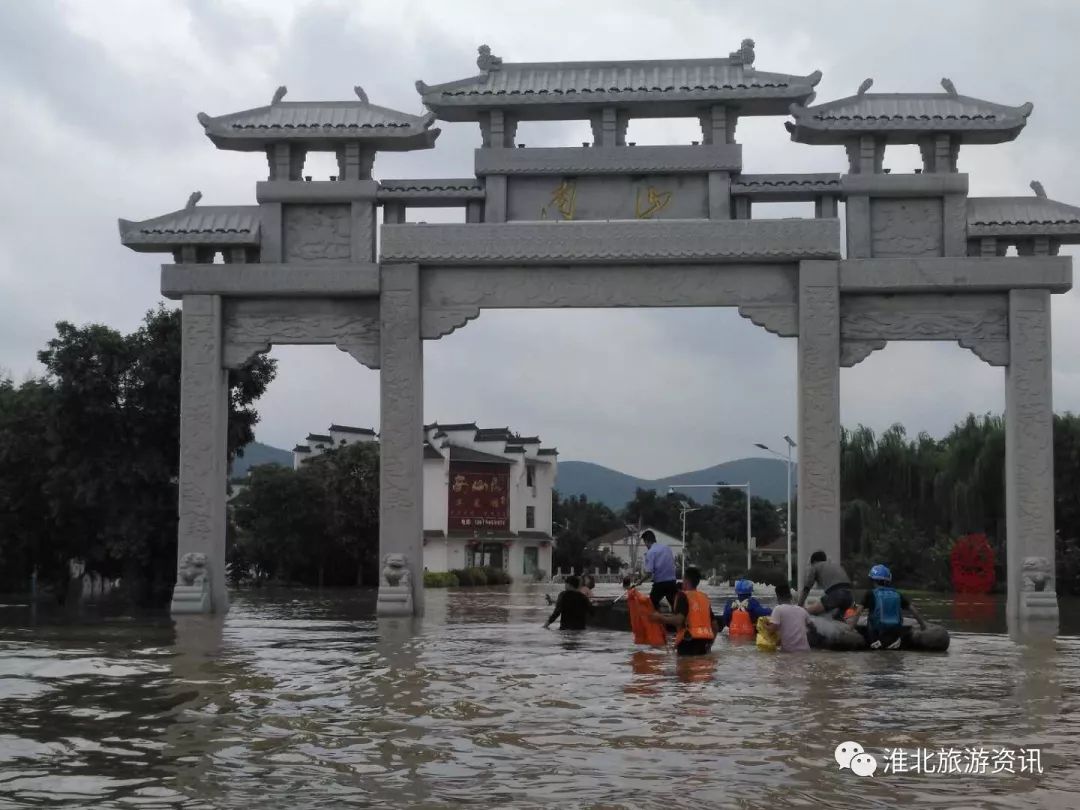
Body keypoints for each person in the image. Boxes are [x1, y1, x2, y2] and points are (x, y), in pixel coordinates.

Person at [846, 564, 928, 649]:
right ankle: (894, 642)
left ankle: (876, 642)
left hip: (876, 636)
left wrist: (851, 629)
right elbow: (914, 610)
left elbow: (858, 612)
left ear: (873, 581)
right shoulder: (898, 594)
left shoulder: (870, 594)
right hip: (895, 636)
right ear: (888, 580)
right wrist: (923, 626)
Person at [652, 567, 717, 656]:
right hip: (706, 640)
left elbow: (679, 620)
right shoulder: (704, 598)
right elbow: (715, 626)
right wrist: (710, 643)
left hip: (688, 640)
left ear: (685, 581)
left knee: (685, 668)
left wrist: (660, 617)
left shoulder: (683, 595)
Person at [798, 551, 854, 619]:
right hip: (849, 595)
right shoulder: (835, 565)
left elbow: (806, 589)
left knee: (807, 612)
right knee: (838, 619)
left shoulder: (815, 566)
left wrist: (798, 607)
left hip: (836, 594)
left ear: (814, 561)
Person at [633, 530, 678, 610]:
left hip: (660, 583)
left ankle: (657, 620)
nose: (645, 545)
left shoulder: (651, 552)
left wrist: (640, 581)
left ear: (646, 541)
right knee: (675, 605)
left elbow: (649, 573)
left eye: (645, 543)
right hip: (672, 582)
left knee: (652, 604)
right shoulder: (667, 548)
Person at [767, 583, 812, 652]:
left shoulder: (778, 609)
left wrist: (764, 627)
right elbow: (811, 627)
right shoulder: (802, 610)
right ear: (790, 596)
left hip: (789, 652)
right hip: (805, 650)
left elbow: (772, 629)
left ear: (778, 597)